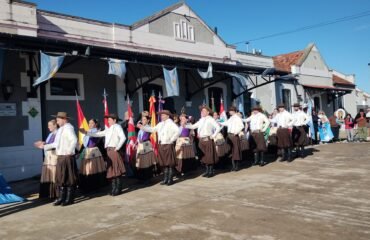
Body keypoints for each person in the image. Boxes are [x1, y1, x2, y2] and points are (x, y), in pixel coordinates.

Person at [36, 112, 78, 206]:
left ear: (64, 119)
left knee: (68, 177)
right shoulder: (61, 130)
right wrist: (44, 146)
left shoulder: (68, 128)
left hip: (66, 156)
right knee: (61, 178)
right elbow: (56, 144)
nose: (57, 122)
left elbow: (74, 140)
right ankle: (61, 198)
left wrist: (69, 151)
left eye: (58, 120)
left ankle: (69, 199)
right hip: (60, 156)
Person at [82, 114, 126, 196]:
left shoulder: (117, 127)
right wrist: (86, 132)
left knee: (116, 169)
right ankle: (114, 188)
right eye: (108, 120)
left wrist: (117, 147)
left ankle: (118, 188)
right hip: (109, 150)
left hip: (113, 149)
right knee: (112, 169)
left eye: (109, 120)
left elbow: (123, 137)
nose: (108, 121)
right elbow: (98, 134)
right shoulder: (109, 129)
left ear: (114, 120)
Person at [139, 110, 179, 186]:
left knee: (169, 163)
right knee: (163, 163)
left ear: (167, 116)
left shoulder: (171, 123)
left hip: (168, 144)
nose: (162, 116)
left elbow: (177, 131)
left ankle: (170, 179)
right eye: (161, 115)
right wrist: (142, 127)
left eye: (163, 115)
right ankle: (165, 179)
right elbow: (152, 129)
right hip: (161, 145)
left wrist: (171, 139)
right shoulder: (160, 124)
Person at [186, 105, 221, 178]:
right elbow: (193, 126)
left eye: (204, 111)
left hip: (208, 139)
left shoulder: (211, 119)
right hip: (201, 140)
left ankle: (211, 171)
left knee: (209, 155)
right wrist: (185, 125)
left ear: (208, 112)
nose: (202, 112)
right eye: (202, 111)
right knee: (204, 156)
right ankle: (207, 170)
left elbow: (218, 127)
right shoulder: (201, 120)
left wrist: (213, 135)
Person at [78, 119, 107, 193]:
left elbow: (99, 141)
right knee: (86, 169)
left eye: (92, 123)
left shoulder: (97, 131)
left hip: (94, 152)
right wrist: (79, 152)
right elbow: (84, 144)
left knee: (93, 169)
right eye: (89, 123)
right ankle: (87, 185)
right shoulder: (88, 131)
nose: (90, 124)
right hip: (87, 151)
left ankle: (95, 186)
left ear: (96, 124)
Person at [35, 119, 58, 199]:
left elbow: (56, 145)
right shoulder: (51, 134)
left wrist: (45, 145)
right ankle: (47, 194)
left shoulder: (58, 134)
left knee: (53, 175)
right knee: (47, 175)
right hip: (48, 157)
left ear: (55, 125)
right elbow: (48, 143)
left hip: (54, 156)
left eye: (50, 125)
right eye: (48, 125)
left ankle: (55, 194)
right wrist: (43, 143)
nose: (48, 127)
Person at [220, 106, 245, 171]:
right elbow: (226, 123)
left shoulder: (237, 118)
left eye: (230, 111)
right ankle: (233, 166)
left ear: (233, 111)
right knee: (231, 151)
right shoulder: (231, 118)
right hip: (229, 135)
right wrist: (219, 123)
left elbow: (242, 126)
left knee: (236, 151)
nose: (229, 112)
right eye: (230, 111)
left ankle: (236, 166)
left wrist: (236, 132)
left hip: (234, 136)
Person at [135, 111, 156, 183]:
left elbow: (148, 130)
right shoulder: (141, 128)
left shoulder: (148, 127)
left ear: (148, 120)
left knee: (146, 162)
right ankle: (141, 178)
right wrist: (136, 143)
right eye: (142, 119)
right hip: (140, 146)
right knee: (141, 163)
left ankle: (148, 178)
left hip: (146, 145)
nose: (142, 121)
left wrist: (141, 126)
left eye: (144, 119)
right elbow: (139, 137)